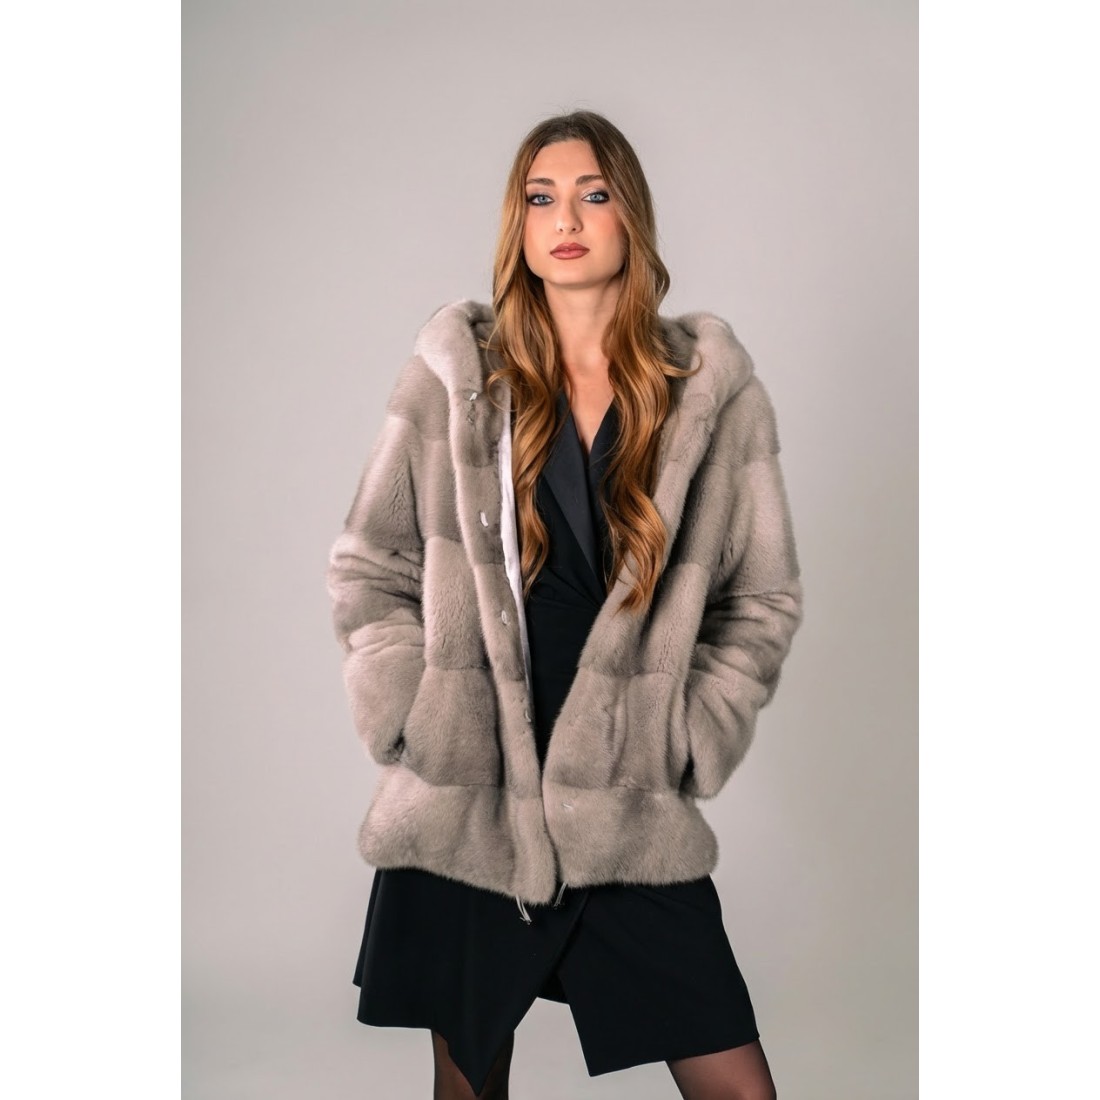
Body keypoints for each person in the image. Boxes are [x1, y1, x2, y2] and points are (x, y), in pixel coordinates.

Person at [326, 110, 803, 1100]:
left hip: (623, 803)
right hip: (469, 799)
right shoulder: (458, 380)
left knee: (736, 1083)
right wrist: (411, 715)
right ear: (520, 223)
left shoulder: (706, 396)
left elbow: (758, 599)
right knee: (470, 1086)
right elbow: (373, 561)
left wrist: (690, 735)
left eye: (593, 193)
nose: (567, 219)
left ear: (631, 216)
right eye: (541, 198)